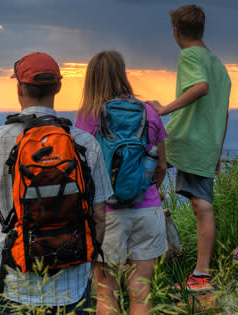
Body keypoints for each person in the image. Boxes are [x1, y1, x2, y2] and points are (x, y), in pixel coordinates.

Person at [0, 52, 113, 314]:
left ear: (19, 88)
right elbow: (99, 214)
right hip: (71, 284)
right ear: (59, 87)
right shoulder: (85, 144)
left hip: (13, 282)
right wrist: (87, 262)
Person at [75, 50, 168, 315]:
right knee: (141, 294)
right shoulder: (148, 112)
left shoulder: (89, 116)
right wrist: (148, 192)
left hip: (107, 215)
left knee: (105, 294)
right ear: (123, 74)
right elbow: (161, 165)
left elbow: (82, 169)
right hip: (147, 210)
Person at [147, 4, 231, 292]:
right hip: (206, 143)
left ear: (176, 31)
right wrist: (218, 151)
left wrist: (163, 110)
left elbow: (201, 88)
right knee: (202, 205)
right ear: (202, 29)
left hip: (184, 137)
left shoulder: (189, 55)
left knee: (143, 170)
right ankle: (201, 275)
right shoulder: (218, 63)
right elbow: (224, 112)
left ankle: (147, 229)